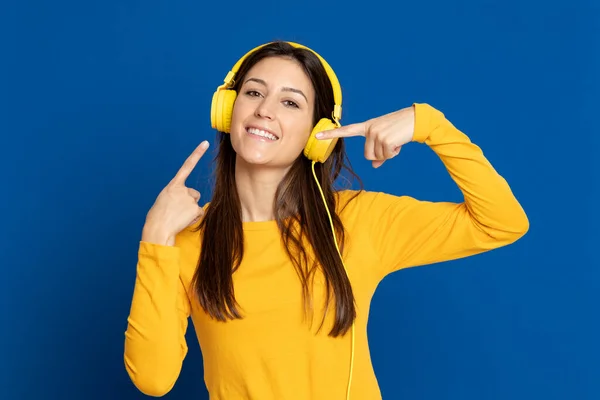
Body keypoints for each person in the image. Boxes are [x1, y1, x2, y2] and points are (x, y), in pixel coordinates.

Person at [123, 41, 529, 400]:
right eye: (253, 92)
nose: (265, 110)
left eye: (290, 102)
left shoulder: (358, 221)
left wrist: (429, 125)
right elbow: (154, 379)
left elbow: (502, 222)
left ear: (318, 132)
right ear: (228, 110)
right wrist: (155, 240)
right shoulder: (185, 240)